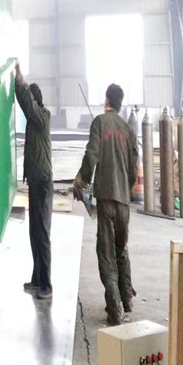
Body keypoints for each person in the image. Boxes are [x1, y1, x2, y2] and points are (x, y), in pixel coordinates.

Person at [74, 83, 138, 326]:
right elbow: (133, 169)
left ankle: (114, 309)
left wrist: (81, 181)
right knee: (121, 248)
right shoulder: (128, 129)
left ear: (106, 101)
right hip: (124, 200)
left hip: (106, 199)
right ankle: (127, 300)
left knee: (106, 251)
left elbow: (92, 155)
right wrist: (125, 188)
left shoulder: (99, 122)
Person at [14, 62, 53, 300]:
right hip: (36, 182)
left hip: (43, 183)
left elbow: (27, 104)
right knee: (34, 233)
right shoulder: (34, 120)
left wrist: (20, 80)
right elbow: (25, 103)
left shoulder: (42, 117)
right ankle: (37, 279)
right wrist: (18, 86)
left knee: (43, 234)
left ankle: (46, 284)